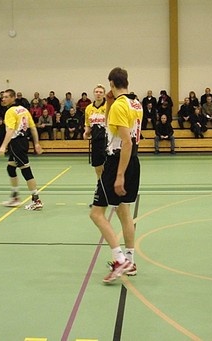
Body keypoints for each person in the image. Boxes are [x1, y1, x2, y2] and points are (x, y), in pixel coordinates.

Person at [90, 67, 142, 283]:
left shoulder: (120, 106)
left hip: (117, 162)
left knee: (96, 214)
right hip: (133, 161)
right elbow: (121, 130)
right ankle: (130, 260)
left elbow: (126, 142)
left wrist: (119, 175)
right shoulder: (135, 103)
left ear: (111, 83)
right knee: (123, 211)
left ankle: (120, 260)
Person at [0, 89, 44, 211]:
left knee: (26, 171)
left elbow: (10, 130)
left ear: (13, 98)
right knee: (11, 168)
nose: (3, 99)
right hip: (23, 141)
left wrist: (3, 146)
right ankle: (15, 197)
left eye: (6, 97)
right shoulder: (24, 110)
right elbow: (33, 128)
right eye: (3, 97)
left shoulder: (10, 111)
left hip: (16, 143)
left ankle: (36, 200)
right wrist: (36, 143)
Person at [83, 84, 107, 179]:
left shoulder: (109, 106)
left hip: (107, 140)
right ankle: (99, 182)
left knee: (108, 164)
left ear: (104, 94)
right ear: (93, 93)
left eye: (101, 92)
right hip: (95, 140)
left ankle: (108, 182)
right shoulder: (89, 108)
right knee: (97, 164)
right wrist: (86, 132)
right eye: (96, 92)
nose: (98, 94)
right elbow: (88, 124)